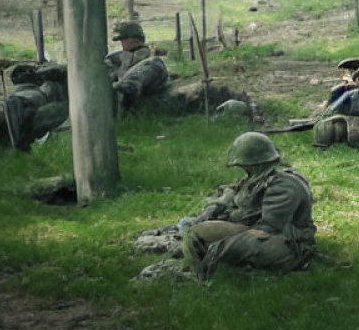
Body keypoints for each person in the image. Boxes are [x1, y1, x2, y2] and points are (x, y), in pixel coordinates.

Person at [183, 132, 316, 279]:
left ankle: (206, 277)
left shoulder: (285, 186)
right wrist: (217, 207)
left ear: (256, 164)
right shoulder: (261, 179)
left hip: (290, 244)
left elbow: (268, 227)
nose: (246, 171)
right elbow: (234, 191)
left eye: (246, 167)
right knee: (195, 232)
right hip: (263, 232)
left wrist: (230, 220)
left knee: (221, 247)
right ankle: (203, 268)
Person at [104, 20, 169, 110]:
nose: (122, 43)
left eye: (124, 39)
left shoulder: (152, 59)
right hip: (116, 91)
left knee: (156, 62)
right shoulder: (116, 57)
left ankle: (128, 88)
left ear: (133, 39)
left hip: (137, 87)